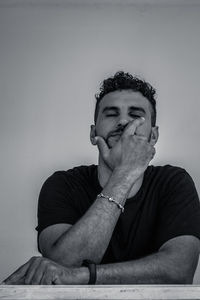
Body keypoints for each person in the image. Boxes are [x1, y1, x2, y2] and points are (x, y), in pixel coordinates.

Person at [3, 71, 200, 285]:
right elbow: (61, 267)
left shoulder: (174, 182)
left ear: (153, 136)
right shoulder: (62, 185)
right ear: (93, 132)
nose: (124, 121)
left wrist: (84, 276)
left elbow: (179, 271)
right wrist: (124, 174)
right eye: (111, 113)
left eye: (136, 115)